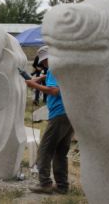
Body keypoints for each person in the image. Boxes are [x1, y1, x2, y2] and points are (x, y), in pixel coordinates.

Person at [24, 45, 74, 195]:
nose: (44, 64)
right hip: (70, 114)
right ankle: (62, 186)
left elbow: (54, 90)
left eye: (45, 61)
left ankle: (45, 183)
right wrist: (40, 78)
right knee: (60, 152)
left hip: (59, 114)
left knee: (45, 150)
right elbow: (53, 80)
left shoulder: (53, 69)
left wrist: (33, 85)